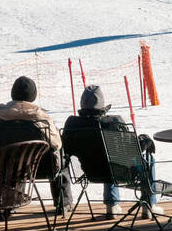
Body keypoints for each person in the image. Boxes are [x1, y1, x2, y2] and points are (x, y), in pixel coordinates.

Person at [62, 85, 159, 217]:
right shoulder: (113, 122)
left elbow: (66, 149)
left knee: (107, 159)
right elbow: (131, 150)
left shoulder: (72, 124)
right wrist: (144, 140)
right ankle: (149, 205)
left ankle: (112, 205)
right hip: (119, 173)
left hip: (91, 171)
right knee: (148, 159)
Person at [0, 76, 71, 214]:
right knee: (62, 158)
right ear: (33, 95)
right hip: (40, 168)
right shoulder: (42, 119)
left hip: (3, 169)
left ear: (12, 93)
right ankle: (63, 203)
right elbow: (57, 144)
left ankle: (10, 203)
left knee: (12, 159)